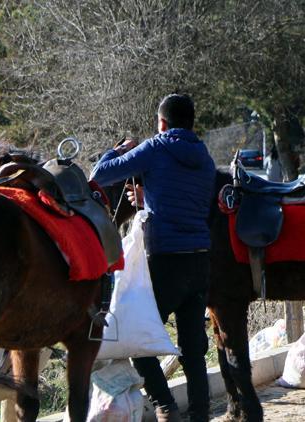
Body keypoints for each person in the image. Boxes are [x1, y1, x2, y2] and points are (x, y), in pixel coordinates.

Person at [91, 94, 216, 422]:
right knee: (193, 350)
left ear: (162, 123)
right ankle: (200, 415)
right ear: (191, 122)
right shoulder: (203, 156)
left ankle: (165, 406)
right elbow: (187, 198)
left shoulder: (155, 147)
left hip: (165, 260)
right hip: (201, 259)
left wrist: (119, 150)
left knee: (136, 340)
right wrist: (150, 197)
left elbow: (100, 174)